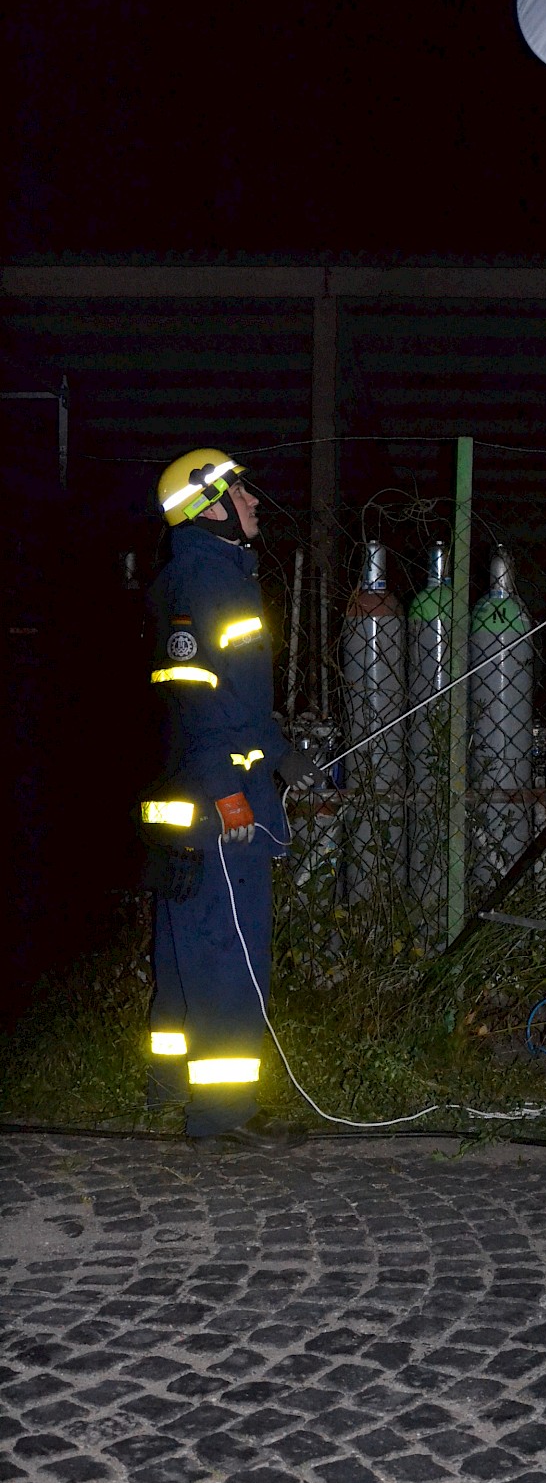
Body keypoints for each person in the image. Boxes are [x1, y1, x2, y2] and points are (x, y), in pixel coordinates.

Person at [142, 448, 318, 1142]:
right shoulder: (208, 585)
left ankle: (167, 1090)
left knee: (186, 957)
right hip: (218, 806)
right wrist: (231, 791)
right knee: (229, 958)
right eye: (241, 494)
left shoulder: (196, 577)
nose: (252, 504)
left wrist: (279, 754)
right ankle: (223, 1113)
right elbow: (196, 700)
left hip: (187, 799)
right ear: (211, 506)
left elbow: (230, 702)